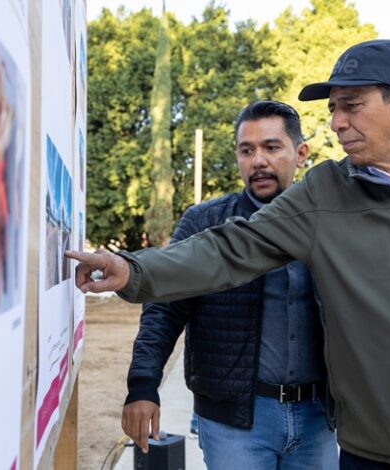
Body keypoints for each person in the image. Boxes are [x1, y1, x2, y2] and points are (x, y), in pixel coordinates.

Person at [67, 40, 390, 469]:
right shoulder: (325, 191)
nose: (336, 122)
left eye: (351, 106)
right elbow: (230, 248)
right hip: (378, 454)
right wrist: (133, 269)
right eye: (333, 109)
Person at [122, 101, 338, 469]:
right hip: (235, 422)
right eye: (246, 150)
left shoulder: (330, 223)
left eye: (271, 147)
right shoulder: (205, 221)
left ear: (300, 153)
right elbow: (164, 308)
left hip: (317, 417)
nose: (258, 161)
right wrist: (143, 385)